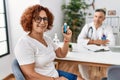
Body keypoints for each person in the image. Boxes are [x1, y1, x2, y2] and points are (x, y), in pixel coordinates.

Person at [14, 4, 84, 80]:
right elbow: (30, 75)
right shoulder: (24, 44)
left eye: (45, 19)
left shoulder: (46, 39)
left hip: (54, 74)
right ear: (30, 21)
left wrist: (66, 39)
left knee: (80, 78)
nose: (42, 22)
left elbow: (61, 54)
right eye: (38, 18)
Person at [77, 9, 115, 80]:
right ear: (93, 17)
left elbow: (112, 42)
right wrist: (96, 42)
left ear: (104, 18)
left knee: (110, 63)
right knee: (81, 62)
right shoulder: (87, 26)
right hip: (88, 51)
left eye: (100, 17)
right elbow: (79, 40)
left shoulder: (107, 27)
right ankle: (86, 78)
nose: (97, 19)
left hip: (102, 52)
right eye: (96, 16)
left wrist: (88, 41)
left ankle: (108, 78)